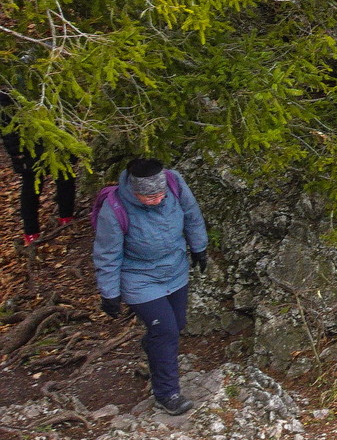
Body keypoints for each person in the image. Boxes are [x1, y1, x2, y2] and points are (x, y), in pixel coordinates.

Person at [92, 155, 208, 417]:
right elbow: (107, 253)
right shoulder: (116, 209)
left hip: (175, 270)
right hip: (139, 279)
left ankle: (153, 350)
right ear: (135, 193)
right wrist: (109, 293)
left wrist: (199, 247)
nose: (158, 199)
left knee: (176, 325)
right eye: (150, 197)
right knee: (167, 332)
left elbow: (191, 214)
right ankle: (167, 394)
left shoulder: (174, 183)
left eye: (160, 194)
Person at [1, 118, 76, 244]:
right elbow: (6, 124)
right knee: (31, 188)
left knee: (65, 178)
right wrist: (16, 151)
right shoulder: (7, 99)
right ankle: (31, 232)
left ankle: (66, 217)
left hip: (54, 141)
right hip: (27, 148)